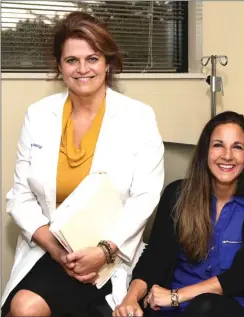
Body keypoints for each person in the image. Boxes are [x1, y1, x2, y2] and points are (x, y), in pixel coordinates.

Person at [1, 11, 165, 317]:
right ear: (59, 65)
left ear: (108, 62)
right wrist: (56, 249)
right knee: (23, 308)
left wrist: (103, 251)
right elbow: (19, 196)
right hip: (51, 248)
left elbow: (145, 198)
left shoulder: (138, 117)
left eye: (92, 58)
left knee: (26, 308)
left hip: (110, 254)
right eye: (71, 60)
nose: (82, 69)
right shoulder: (38, 115)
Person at [113, 111, 244, 317]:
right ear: (205, 152)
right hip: (169, 305)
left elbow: (243, 274)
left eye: (237, 147)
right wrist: (131, 299)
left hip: (227, 306)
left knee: (205, 307)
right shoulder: (177, 194)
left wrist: (177, 296)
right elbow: (155, 257)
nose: (227, 155)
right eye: (218, 145)